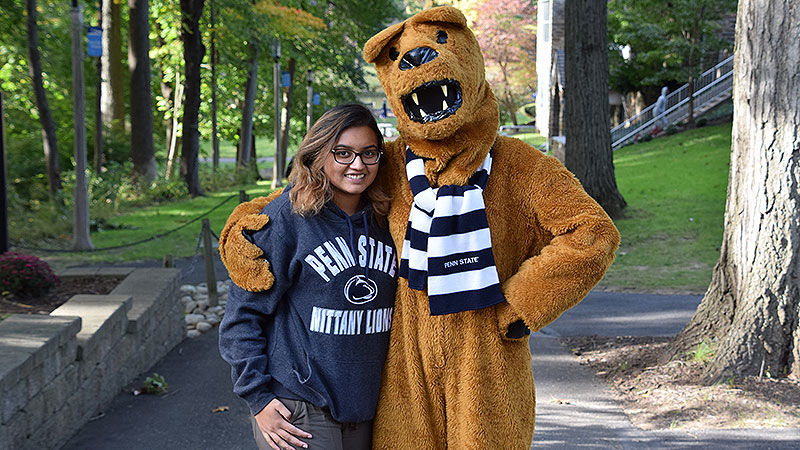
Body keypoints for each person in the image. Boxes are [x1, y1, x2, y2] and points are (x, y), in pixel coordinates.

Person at [219, 104, 398, 450]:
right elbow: (241, 317)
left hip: (367, 407)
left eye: (368, 153)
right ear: (318, 153)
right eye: (343, 153)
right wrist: (257, 398)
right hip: (300, 406)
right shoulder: (287, 219)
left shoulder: (388, 219)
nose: (357, 165)